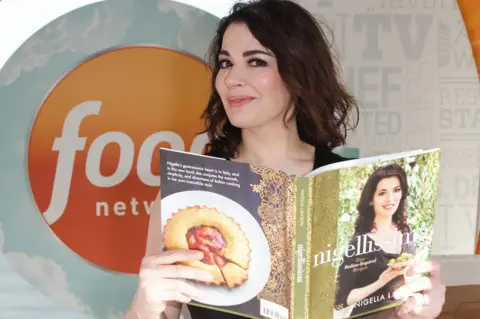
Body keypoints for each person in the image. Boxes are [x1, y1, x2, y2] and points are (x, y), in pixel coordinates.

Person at [126, 1, 446, 318]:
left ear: (297, 71)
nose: (231, 79)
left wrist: (415, 313)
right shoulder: (188, 193)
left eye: (256, 62)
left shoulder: (357, 185)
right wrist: (145, 305)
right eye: (226, 63)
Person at [334, 164, 418, 317]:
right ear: (371, 200)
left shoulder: (406, 231)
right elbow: (341, 301)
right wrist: (381, 281)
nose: (391, 199)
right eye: (382, 193)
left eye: (396, 190)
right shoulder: (359, 243)